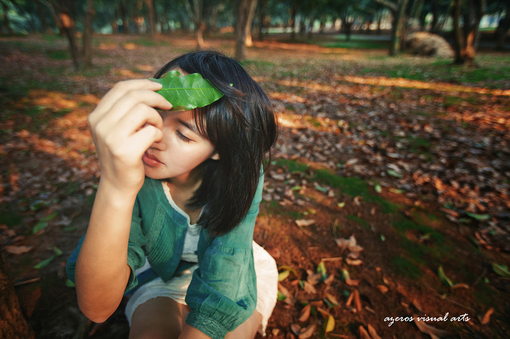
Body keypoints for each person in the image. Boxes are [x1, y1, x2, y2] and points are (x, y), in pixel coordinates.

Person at [66, 50, 279, 339]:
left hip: (234, 272)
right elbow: (96, 308)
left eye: (184, 135)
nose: (153, 138)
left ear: (219, 150)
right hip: (156, 273)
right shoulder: (132, 169)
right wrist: (116, 186)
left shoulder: (241, 178)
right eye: (154, 114)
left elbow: (227, 272)